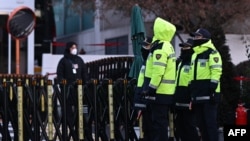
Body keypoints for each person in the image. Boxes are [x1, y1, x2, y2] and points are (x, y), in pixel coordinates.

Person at [141, 17, 176, 141]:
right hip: (165, 92)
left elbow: (158, 71)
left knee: (158, 124)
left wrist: (151, 88)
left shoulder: (160, 48)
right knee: (160, 123)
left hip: (159, 92)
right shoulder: (168, 46)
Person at [189, 28, 222, 141]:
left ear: (205, 39)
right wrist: (191, 91)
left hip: (209, 95)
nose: (195, 39)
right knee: (201, 125)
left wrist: (212, 89)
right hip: (197, 95)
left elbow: (216, 71)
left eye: (197, 37)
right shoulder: (194, 55)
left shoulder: (212, 53)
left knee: (210, 124)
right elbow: (191, 75)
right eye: (194, 36)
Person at [56, 41, 88, 140]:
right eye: (73, 47)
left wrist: (85, 84)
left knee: (80, 110)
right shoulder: (63, 61)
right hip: (67, 90)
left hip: (78, 90)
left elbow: (84, 73)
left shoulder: (79, 60)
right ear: (68, 48)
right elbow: (60, 75)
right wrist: (63, 85)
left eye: (75, 47)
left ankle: (80, 127)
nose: (75, 49)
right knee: (68, 110)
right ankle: (69, 127)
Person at [174, 38, 200, 141]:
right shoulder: (180, 63)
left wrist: (192, 98)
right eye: (183, 47)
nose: (184, 49)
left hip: (189, 101)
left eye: (186, 47)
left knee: (190, 127)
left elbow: (194, 82)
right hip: (179, 100)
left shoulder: (193, 63)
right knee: (180, 127)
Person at [133, 36, 153, 141]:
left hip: (150, 99)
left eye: (146, 46)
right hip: (143, 98)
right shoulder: (145, 63)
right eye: (143, 46)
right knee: (146, 127)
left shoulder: (152, 61)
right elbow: (141, 83)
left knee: (151, 128)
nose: (144, 48)